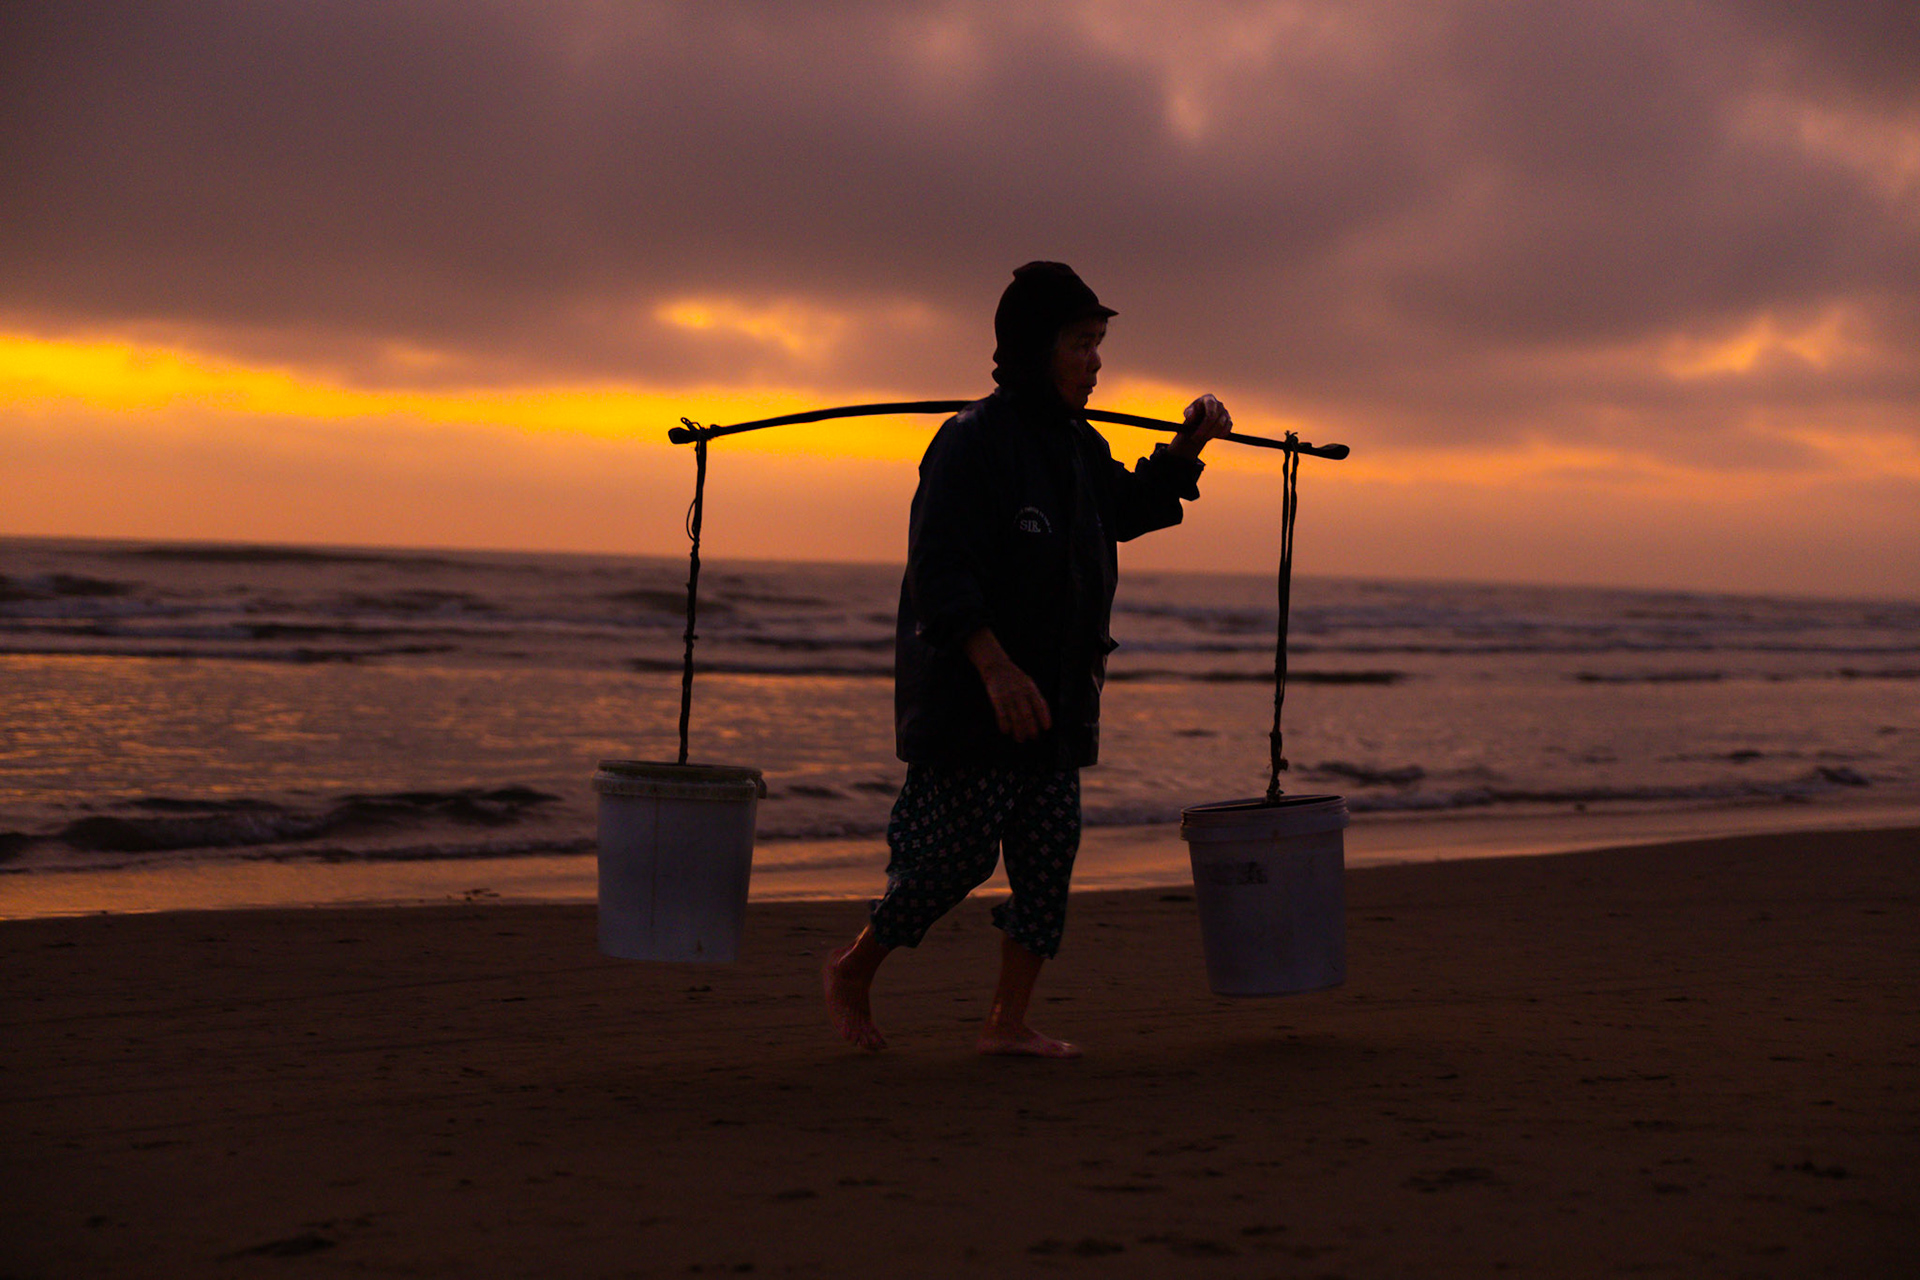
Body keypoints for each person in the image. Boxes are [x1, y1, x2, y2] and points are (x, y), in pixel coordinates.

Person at [823, 261, 1233, 1057]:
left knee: (1048, 861)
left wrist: (1188, 444)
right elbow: (939, 571)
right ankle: (852, 967)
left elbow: (1131, 509)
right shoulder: (971, 444)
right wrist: (993, 665)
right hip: (974, 699)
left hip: (1058, 699)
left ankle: (1006, 1023)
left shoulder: (1080, 446)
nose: (1095, 362)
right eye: (1082, 344)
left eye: (1099, 344)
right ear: (1033, 349)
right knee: (951, 859)